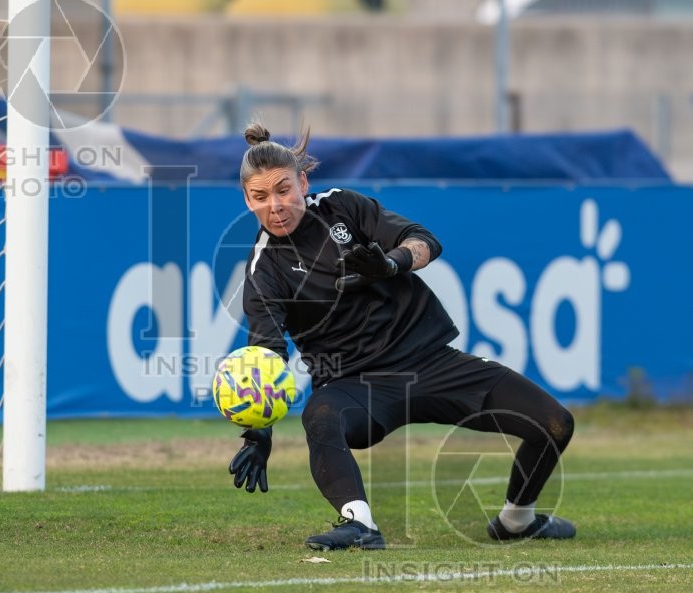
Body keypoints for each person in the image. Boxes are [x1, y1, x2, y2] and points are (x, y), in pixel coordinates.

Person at [227, 122, 576, 551]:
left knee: (556, 423)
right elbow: (266, 353)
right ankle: (359, 524)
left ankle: (517, 520)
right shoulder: (263, 269)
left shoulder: (342, 208)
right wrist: (257, 432)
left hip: (431, 361)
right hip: (355, 385)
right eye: (260, 197)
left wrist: (392, 264)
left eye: (283, 189)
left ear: (303, 181)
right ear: (247, 199)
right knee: (320, 414)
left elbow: (425, 240)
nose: (275, 205)